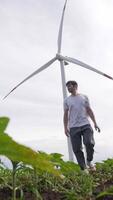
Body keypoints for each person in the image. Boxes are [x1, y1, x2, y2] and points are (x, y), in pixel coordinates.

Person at [63, 80, 100, 172]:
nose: (68, 88)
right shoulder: (67, 100)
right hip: (73, 127)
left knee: (89, 143)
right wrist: (65, 127)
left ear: (75, 86)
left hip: (85, 124)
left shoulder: (84, 97)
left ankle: (89, 161)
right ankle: (84, 169)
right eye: (67, 87)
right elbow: (65, 115)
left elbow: (89, 110)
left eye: (70, 86)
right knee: (76, 149)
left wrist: (95, 123)